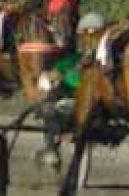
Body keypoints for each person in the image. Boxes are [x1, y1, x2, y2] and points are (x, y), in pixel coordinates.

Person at [36, 11, 107, 167]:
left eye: (96, 35)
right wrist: (53, 77)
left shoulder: (107, 63)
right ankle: (50, 147)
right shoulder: (69, 60)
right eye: (87, 35)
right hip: (67, 97)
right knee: (49, 107)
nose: (91, 40)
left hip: (95, 104)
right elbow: (52, 75)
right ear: (80, 37)